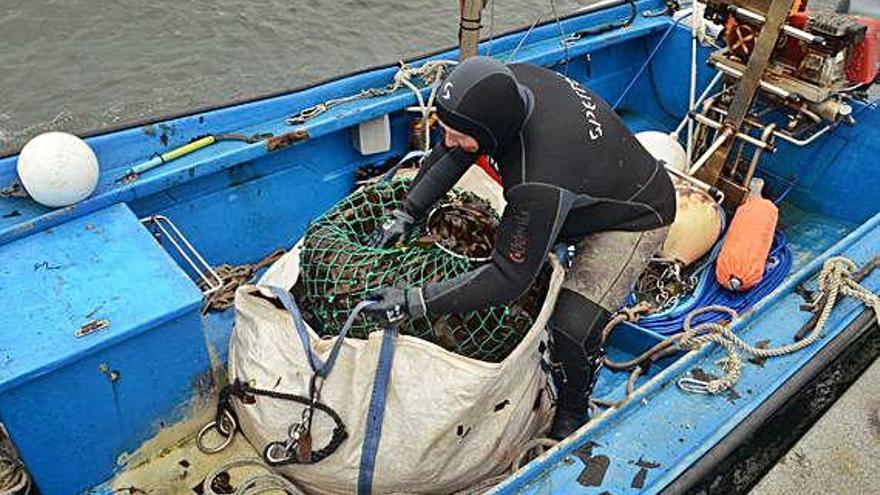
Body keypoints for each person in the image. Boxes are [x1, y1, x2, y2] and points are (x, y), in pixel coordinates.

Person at [364, 56, 676, 440]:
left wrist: (416, 301)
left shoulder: (538, 178)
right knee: (517, 222)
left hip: (633, 217)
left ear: (495, 130)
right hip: (586, 182)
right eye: (443, 128)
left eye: (456, 133)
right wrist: (407, 212)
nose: (446, 140)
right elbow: (455, 148)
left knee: (571, 327)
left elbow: (508, 278)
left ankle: (574, 408)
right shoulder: (505, 86)